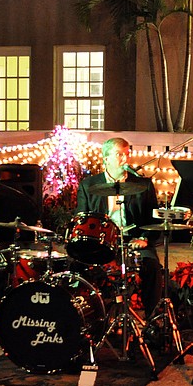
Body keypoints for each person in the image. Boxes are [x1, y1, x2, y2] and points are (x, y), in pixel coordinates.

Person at [75, 137, 161, 319]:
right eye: (119, 155)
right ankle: (91, 318)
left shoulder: (143, 185)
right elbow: (81, 219)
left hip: (134, 240)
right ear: (105, 158)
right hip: (103, 242)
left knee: (152, 266)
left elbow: (154, 219)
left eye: (127, 154)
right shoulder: (88, 185)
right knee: (78, 265)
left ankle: (153, 321)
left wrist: (144, 238)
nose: (125, 159)